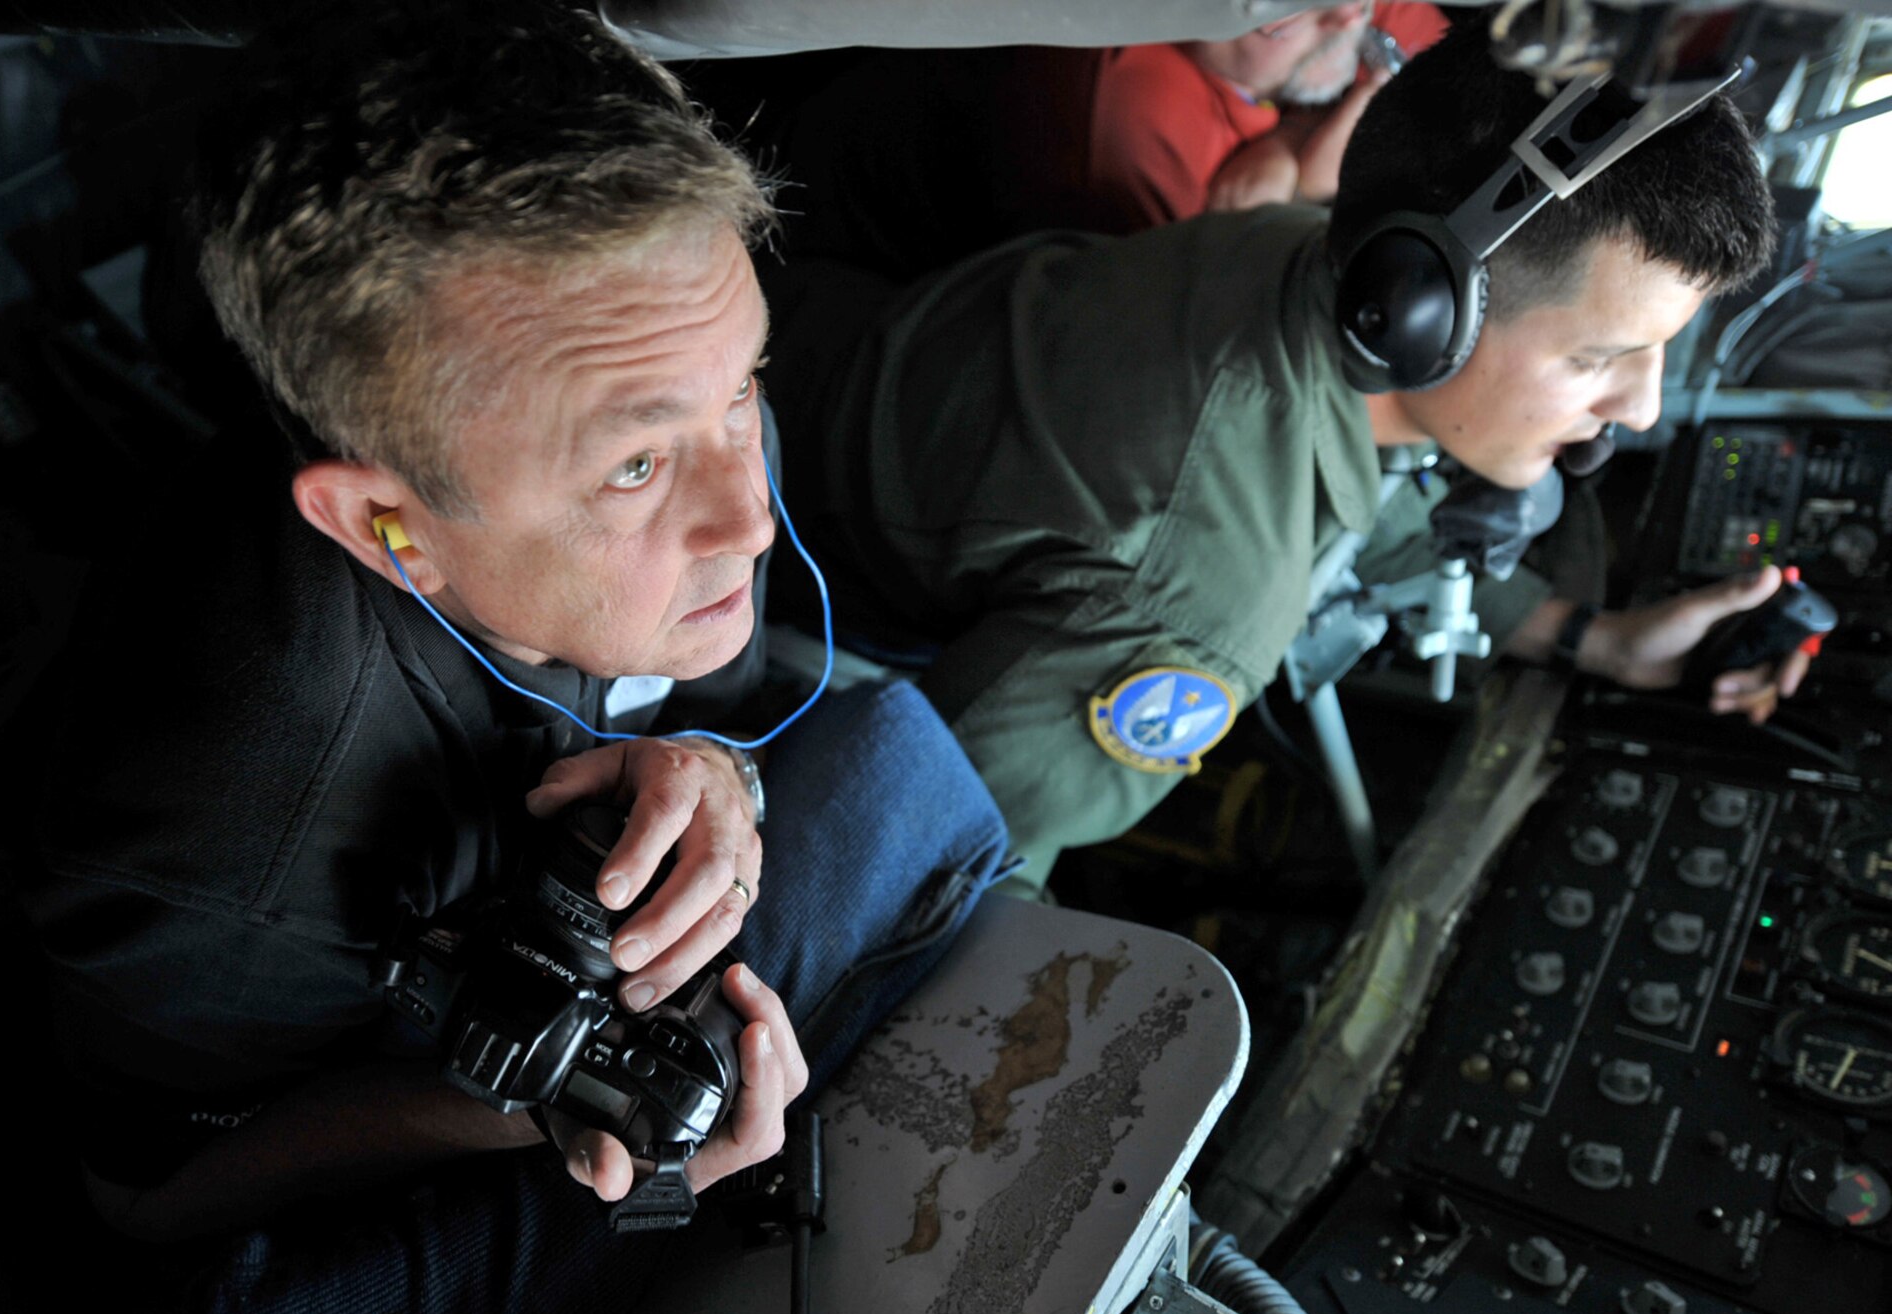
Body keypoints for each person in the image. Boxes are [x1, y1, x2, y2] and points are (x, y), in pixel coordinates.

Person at [16, 3, 1008, 1314]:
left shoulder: (644, 433)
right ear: (387, 525)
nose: (750, 513)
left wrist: (718, 773)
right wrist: (517, 1097)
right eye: (639, 464)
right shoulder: (218, 824)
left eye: (745, 384)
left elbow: (715, 630)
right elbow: (151, 1190)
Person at [767, 22, 1798, 889]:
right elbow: (924, 860)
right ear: (1422, 312)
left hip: (801, 332)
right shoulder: (1195, 602)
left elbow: (1352, 495)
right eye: (1598, 357)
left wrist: (1585, 637)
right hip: (782, 552)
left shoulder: (1299, 252)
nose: (1638, 404)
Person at [723, 2, 1445, 284]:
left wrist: (1293, 139)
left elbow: (1407, 32)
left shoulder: (1286, 36)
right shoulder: (1134, 122)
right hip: (802, 242)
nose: (1350, 12)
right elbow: (1176, 301)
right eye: (1308, 17)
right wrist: (1290, 164)